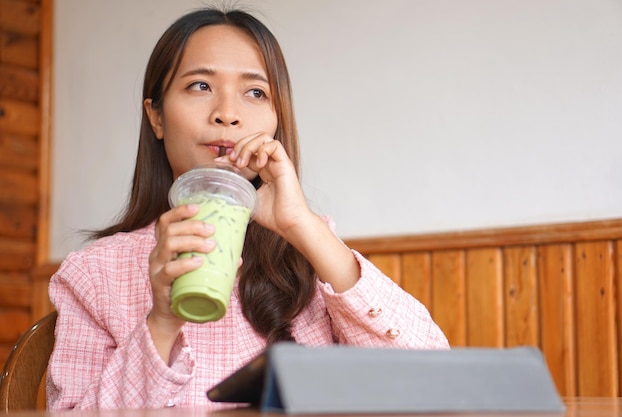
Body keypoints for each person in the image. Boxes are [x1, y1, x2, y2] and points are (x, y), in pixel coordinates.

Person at [46, 6, 449, 411]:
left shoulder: (311, 252)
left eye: (255, 92)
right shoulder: (94, 275)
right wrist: (162, 323)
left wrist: (302, 225)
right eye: (200, 86)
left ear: (277, 119)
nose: (227, 113)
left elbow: (433, 379)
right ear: (156, 117)